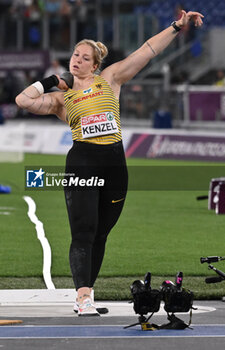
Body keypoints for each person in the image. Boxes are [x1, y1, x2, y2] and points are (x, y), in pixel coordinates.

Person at [15, 9, 203, 316]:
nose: (77, 60)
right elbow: (23, 101)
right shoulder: (62, 100)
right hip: (83, 164)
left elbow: (147, 51)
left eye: (84, 57)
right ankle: (82, 295)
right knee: (84, 231)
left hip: (115, 164)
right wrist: (50, 79)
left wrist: (176, 27)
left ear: (95, 64)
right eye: (75, 55)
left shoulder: (110, 79)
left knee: (101, 232)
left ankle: (87, 293)